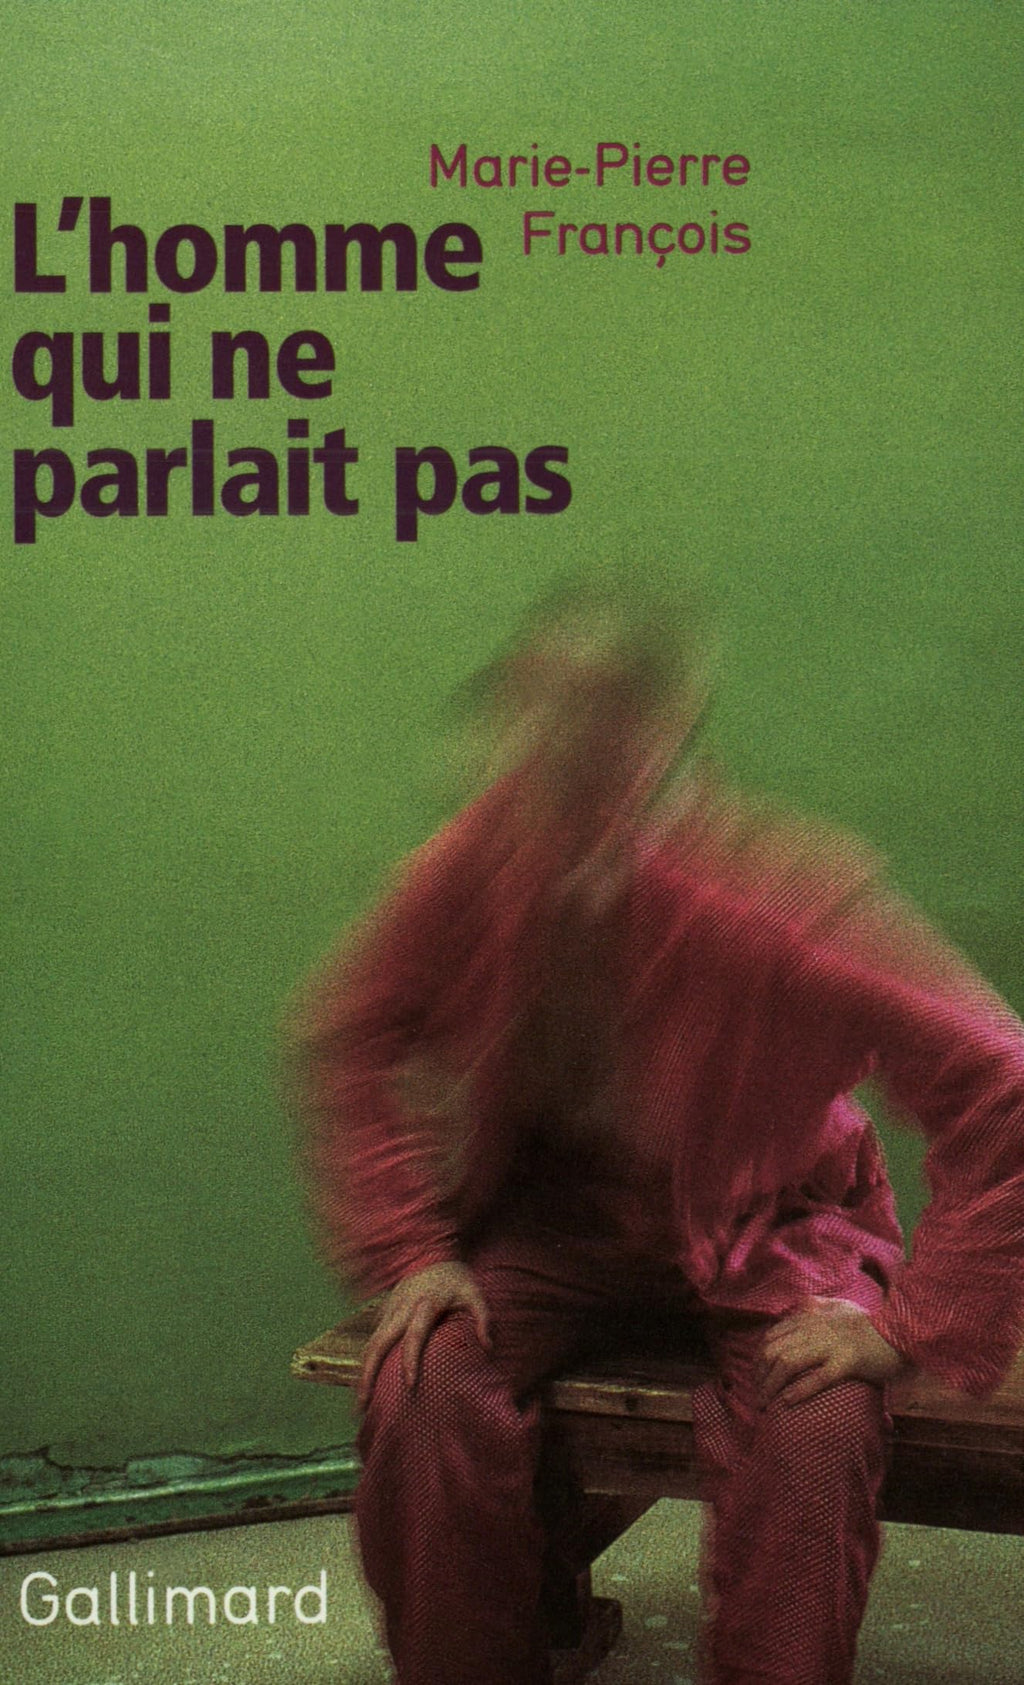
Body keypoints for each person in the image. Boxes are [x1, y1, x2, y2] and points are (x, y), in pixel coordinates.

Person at [294, 582, 1024, 1685]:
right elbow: (349, 1032)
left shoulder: (776, 893)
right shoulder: (475, 864)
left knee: (819, 1419)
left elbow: (997, 1077)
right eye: (529, 700)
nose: (543, 733)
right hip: (557, 1228)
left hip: (771, 1229)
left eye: (585, 707)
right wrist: (413, 1250)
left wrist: (910, 1325)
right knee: (422, 1378)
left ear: (656, 723)